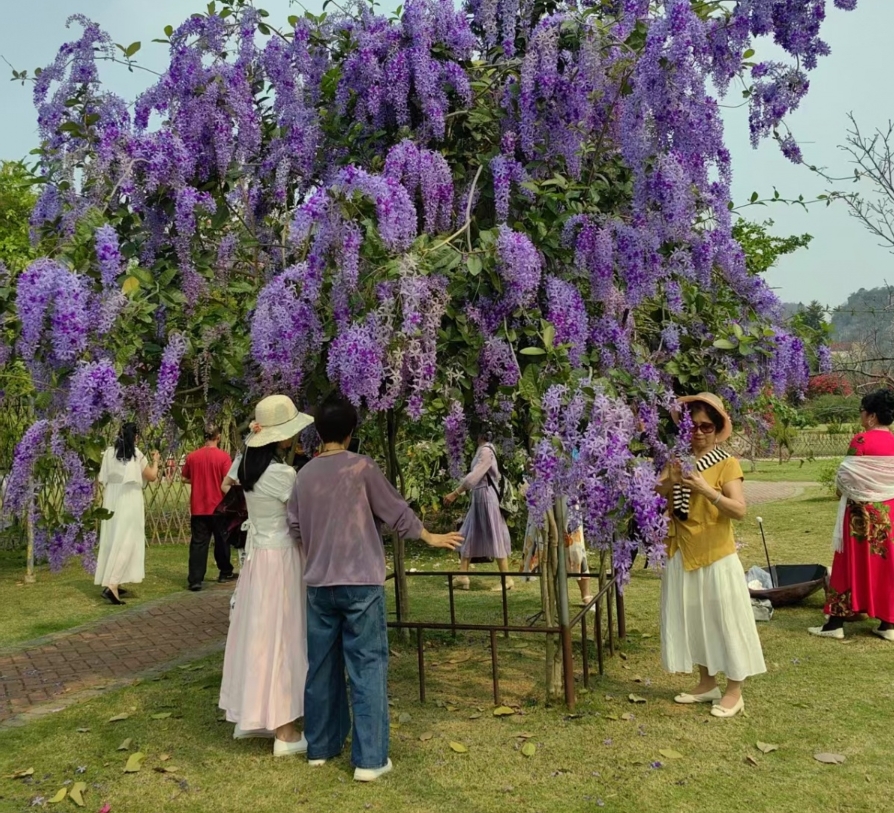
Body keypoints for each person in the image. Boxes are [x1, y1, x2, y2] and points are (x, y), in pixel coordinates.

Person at [287, 395, 462, 782]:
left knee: (321, 668)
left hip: (319, 585)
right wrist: (428, 535)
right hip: (361, 584)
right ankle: (369, 760)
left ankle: (321, 748)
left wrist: (319, 550)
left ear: (319, 432)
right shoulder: (362, 468)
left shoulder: (304, 475)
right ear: (351, 433)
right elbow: (395, 511)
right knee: (366, 666)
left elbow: (295, 526)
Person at [656, 392, 764, 719]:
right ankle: (707, 684)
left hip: (716, 554)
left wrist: (705, 489)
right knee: (694, 619)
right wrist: (667, 481)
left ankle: (734, 691)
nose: (699, 432)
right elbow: (655, 492)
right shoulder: (677, 459)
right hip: (682, 551)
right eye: (693, 425)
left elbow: (739, 510)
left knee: (725, 621)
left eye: (706, 426)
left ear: (717, 429)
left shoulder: (726, 463)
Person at [219, 395, 314, 756]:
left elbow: (227, 489)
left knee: (256, 632)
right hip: (281, 557)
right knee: (282, 634)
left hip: (257, 556)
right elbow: (302, 514)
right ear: (284, 437)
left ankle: (254, 715)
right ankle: (285, 729)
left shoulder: (244, 464)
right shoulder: (282, 474)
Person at [809, 389, 894, 641]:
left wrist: (841, 491)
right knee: (886, 564)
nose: (861, 416)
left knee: (848, 563)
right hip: (889, 511)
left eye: (862, 411)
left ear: (871, 416)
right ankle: (888, 624)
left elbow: (844, 479)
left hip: (860, 513)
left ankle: (836, 623)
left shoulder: (861, 441)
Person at [94, 423, 160, 605]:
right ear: (135, 437)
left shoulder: (109, 453)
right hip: (129, 499)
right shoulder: (137, 455)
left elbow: (103, 478)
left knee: (113, 539)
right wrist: (156, 460)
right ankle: (113, 585)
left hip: (111, 499)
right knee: (127, 542)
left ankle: (112, 580)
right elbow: (152, 476)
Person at [443, 433, 513, 591]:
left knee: (495, 534)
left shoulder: (487, 450)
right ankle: (462, 576)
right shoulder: (481, 449)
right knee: (467, 533)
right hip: (479, 497)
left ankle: (507, 579)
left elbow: (474, 477)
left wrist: (455, 493)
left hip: (487, 498)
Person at [182, 424, 234, 591]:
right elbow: (227, 481)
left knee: (198, 543)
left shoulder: (192, 457)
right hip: (218, 506)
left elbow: (184, 478)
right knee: (222, 541)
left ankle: (195, 579)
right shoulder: (223, 457)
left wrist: (197, 479)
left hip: (198, 507)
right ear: (218, 437)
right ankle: (225, 571)